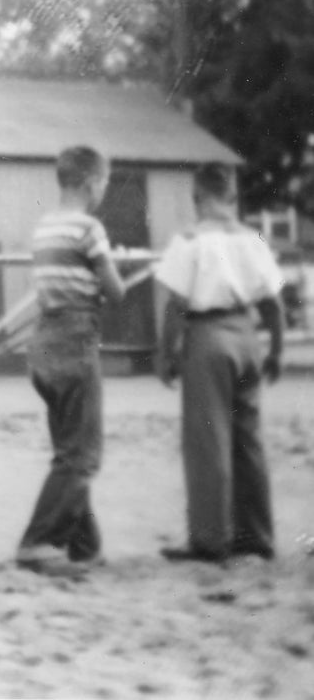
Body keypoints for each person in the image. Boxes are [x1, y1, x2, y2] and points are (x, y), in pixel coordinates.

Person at [153, 161, 284, 564]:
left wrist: (166, 353)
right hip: (246, 334)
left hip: (207, 337)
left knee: (208, 440)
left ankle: (211, 540)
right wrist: (276, 349)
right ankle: (257, 535)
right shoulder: (252, 239)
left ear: (197, 199)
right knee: (249, 439)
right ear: (232, 198)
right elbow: (273, 302)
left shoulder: (189, 240)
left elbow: (175, 305)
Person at [14, 145, 126, 574]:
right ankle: (38, 543)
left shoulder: (45, 227)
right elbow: (115, 291)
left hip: (44, 339)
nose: (103, 192)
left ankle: (85, 546)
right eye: (103, 185)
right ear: (90, 183)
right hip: (75, 341)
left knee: (68, 447)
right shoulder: (89, 229)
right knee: (82, 455)